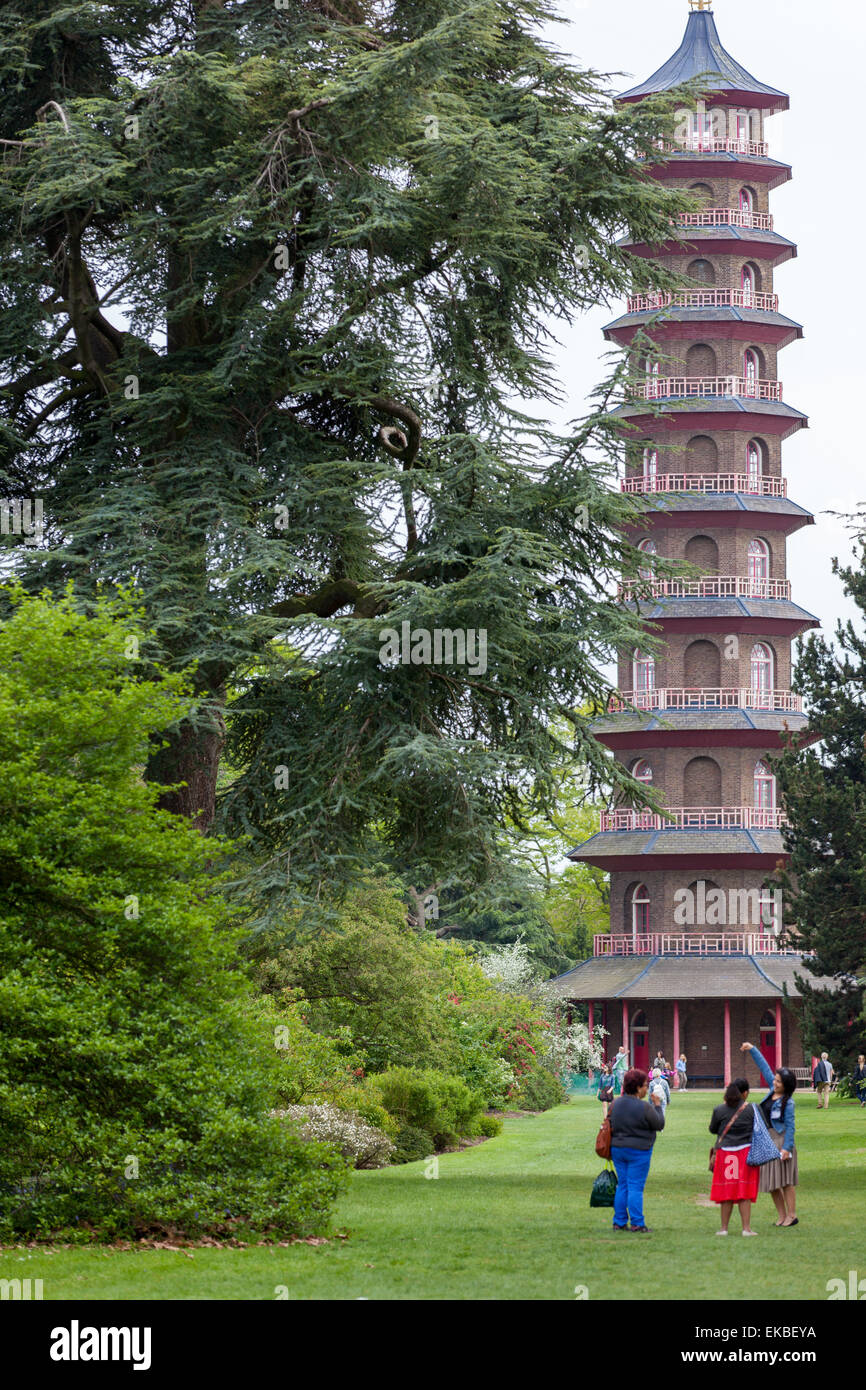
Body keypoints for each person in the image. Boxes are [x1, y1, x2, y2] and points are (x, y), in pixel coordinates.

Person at [740, 1042, 798, 1227]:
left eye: (779, 1081)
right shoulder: (772, 1091)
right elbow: (764, 1066)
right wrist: (752, 1049)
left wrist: (787, 1149)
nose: (775, 1082)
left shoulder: (788, 1103)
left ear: (786, 1085)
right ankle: (781, 1216)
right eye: (775, 1079)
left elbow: (790, 1127)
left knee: (786, 1181)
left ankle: (792, 1215)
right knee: (772, 1182)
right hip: (767, 1141)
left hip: (781, 1141)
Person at [609, 1068, 665, 1233]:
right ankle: (637, 1223)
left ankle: (619, 1222)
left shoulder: (615, 1104)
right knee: (635, 1186)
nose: (646, 1089)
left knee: (623, 1185)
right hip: (639, 1151)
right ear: (638, 1087)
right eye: (645, 1086)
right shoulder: (645, 1107)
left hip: (618, 1149)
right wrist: (658, 1106)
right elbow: (659, 1124)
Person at [709, 1081, 757, 1236]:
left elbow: (713, 1129)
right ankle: (746, 1228)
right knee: (744, 1191)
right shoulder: (751, 1109)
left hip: (726, 1154)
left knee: (727, 1191)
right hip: (745, 1153)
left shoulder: (719, 1110)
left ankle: (724, 1228)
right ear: (742, 1094)